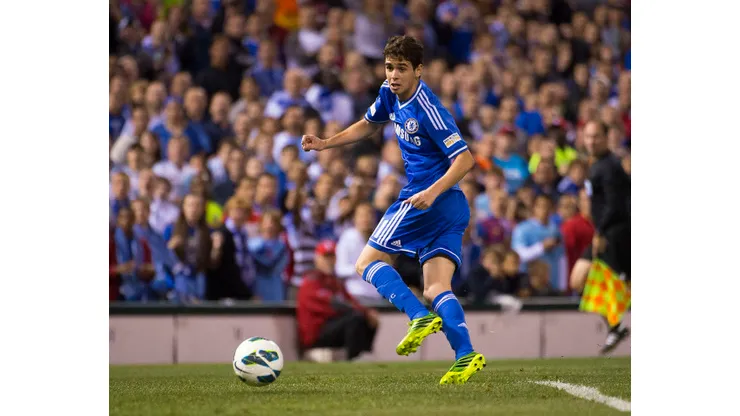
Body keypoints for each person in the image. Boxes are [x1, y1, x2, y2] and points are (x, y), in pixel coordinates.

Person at [301, 36, 484, 385]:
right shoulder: (389, 93)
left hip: (427, 198)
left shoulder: (428, 107)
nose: (394, 75)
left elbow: (465, 159)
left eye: (402, 68)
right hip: (449, 207)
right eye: (389, 67)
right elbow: (369, 124)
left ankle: (417, 316)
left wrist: (430, 193)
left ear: (419, 70)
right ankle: (465, 355)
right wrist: (326, 143)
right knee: (435, 288)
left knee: (365, 262)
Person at [570, 120, 631, 354]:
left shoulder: (609, 167)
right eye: (588, 137)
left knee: (617, 284)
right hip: (606, 232)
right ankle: (615, 327)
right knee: (579, 279)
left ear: (607, 137)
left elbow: (615, 206)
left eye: (596, 136)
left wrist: (601, 232)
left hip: (614, 234)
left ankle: (615, 326)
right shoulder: (597, 165)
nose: (591, 141)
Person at [296, 239, 379, 361]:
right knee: (355, 317)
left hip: (333, 328)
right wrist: (359, 311)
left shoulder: (335, 281)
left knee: (365, 317)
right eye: (325, 257)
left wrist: (367, 313)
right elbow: (332, 305)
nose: (329, 261)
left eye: (332, 257)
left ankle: (363, 353)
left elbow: (350, 301)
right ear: (317, 259)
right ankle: (352, 359)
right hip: (316, 335)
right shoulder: (310, 281)